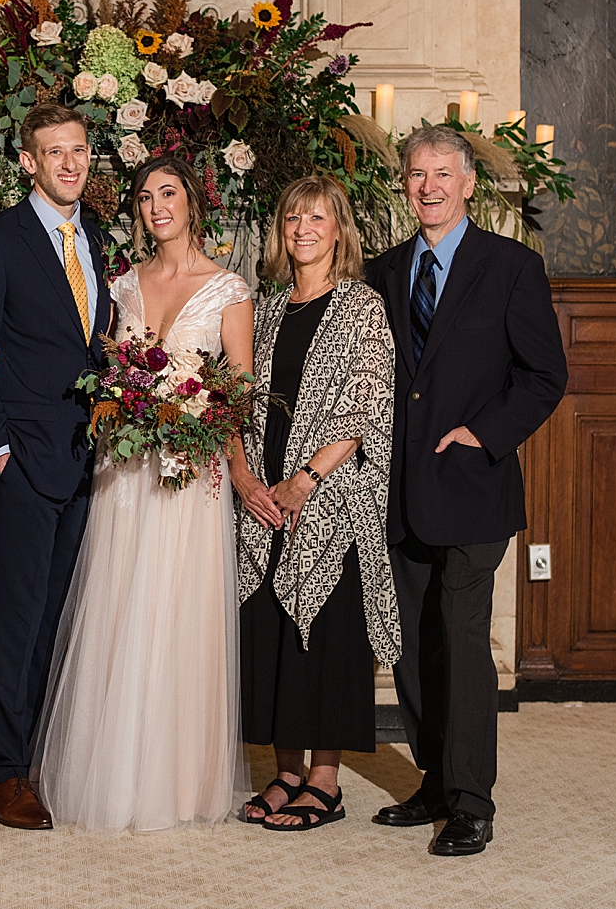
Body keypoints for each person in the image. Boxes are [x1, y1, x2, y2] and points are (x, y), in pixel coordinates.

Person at [33, 155, 253, 832]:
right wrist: (127, 403)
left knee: (177, 617)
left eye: (169, 192)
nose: (157, 205)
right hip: (123, 475)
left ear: (192, 201)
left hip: (188, 481)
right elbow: (107, 375)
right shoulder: (120, 286)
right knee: (119, 611)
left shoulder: (229, 290)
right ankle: (109, 773)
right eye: (146, 195)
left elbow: (239, 395)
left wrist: (224, 451)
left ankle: (178, 783)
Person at [366, 125, 567, 856]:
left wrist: (485, 432)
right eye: (417, 174)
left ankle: (472, 801)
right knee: (415, 646)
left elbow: (545, 376)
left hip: (474, 488)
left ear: (469, 182)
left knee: (461, 636)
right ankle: (435, 779)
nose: (429, 186)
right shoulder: (384, 271)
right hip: (400, 487)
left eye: (442, 173)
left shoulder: (510, 266)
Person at [0, 103, 114, 830]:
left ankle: (45, 753)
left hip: (87, 460)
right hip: (22, 459)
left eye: (78, 150)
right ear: (28, 161)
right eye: (55, 152)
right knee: (15, 621)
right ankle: (4, 770)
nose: (70, 163)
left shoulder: (96, 239)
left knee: (58, 618)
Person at [232, 175, 400, 832]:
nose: (303, 228)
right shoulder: (267, 308)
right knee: (273, 634)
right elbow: (238, 403)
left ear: (339, 230)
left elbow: (363, 405)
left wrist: (305, 479)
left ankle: (324, 781)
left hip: (329, 496)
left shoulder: (361, 306)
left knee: (326, 637)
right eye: (293, 216)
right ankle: (286, 772)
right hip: (268, 494)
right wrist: (252, 481)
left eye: (318, 218)